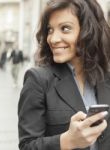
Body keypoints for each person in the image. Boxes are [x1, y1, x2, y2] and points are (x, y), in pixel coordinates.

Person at [18, 0, 110, 150]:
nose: (53, 39)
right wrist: (67, 141)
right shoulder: (37, 80)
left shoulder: (105, 77)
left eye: (65, 28)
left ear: (89, 30)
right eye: (50, 30)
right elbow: (27, 145)